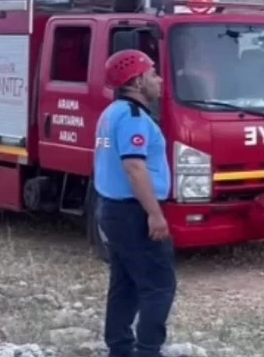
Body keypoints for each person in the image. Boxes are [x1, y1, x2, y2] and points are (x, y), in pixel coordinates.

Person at [93, 49, 176, 357]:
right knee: (160, 286)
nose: (159, 80)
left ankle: (119, 348)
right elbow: (134, 167)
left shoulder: (110, 113)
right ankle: (147, 351)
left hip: (113, 209)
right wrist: (155, 214)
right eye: (153, 74)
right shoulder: (132, 117)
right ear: (138, 81)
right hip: (133, 212)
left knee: (125, 282)